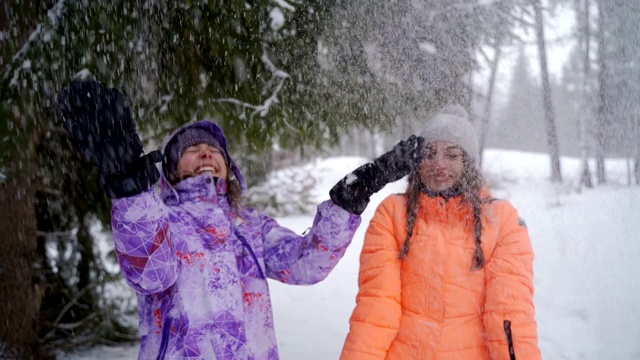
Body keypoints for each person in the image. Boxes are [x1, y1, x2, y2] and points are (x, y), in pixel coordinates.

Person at [56, 79, 425, 360]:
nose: (205, 152)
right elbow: (151, 274)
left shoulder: (251, 226)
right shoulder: (160, 219)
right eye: (191, 150)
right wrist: (129, 183)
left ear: (229, 168)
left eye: (214, 149)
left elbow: (307, 264)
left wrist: (353, 196)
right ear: (169, 169)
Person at [340, 104, 542, 360]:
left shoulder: (502, 220)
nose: (439, 164)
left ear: (468, 162)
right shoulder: (392, 214)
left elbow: (509, 314)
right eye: (430, 153)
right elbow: (376, 309)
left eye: (452, 154)